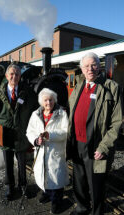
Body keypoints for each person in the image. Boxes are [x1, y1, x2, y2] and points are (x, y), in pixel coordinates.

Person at [67, 52, 122, 215]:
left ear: (99, 66)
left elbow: (117, 122)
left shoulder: (111, 87)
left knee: (96, 184)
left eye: (94, 65)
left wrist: (104, 146)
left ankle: (96, 212)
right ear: (81, 69)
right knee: (79, 180)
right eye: (86, 66)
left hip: (96, 145)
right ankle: (82, 207)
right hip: (77, 143)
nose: (90, 69)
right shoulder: (78, 87)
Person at [0, 63, 37, 200]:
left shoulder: (28, 93)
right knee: (8, 161)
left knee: (22, 162)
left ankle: (23, 185)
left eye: (17, 74)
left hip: (22, 133)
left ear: (20, 76)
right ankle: (10, 186)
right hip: (5, 133)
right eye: (12, 74)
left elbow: (37, 110)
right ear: (6, 76)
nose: (14, 76)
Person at [26, 88, 69, 214]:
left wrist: (50, 135)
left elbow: (66, 132)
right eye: (45, 100)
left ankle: (57, 201)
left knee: (56, 178)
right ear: (41, 102)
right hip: (41, 152)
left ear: (54, 100)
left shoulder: (61, 113)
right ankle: (46, 193)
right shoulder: (35, 114)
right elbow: (30, 131)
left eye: (51, 100)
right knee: (42, 174)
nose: (48, 103)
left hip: (56, 152)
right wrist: (36, 140)